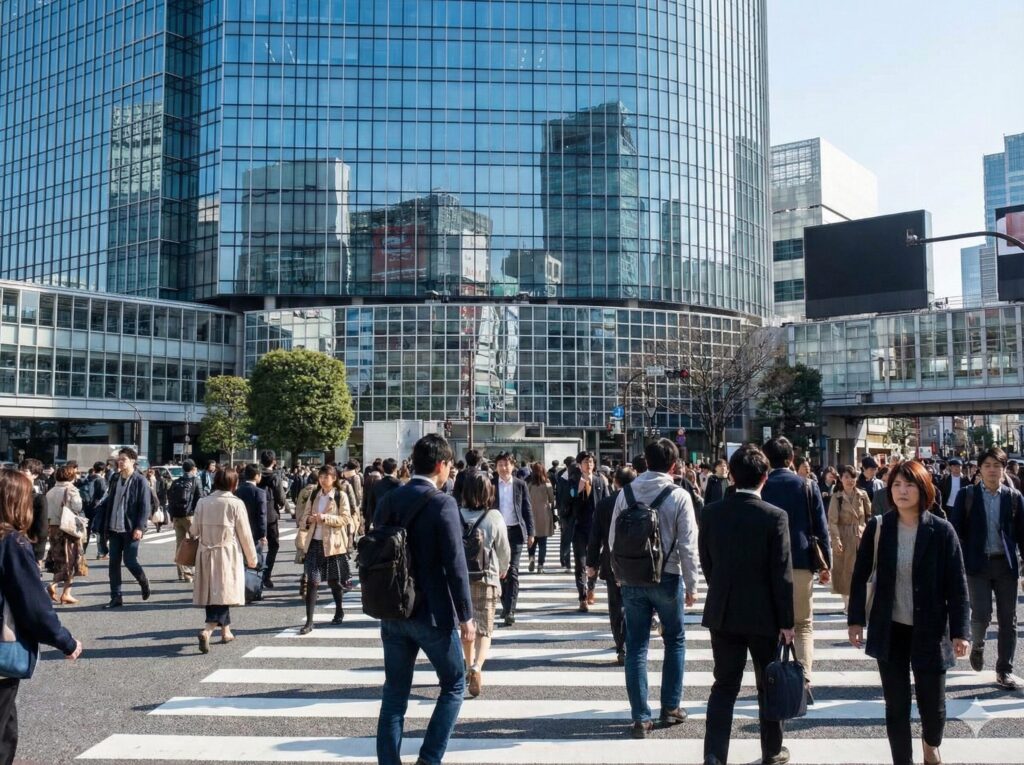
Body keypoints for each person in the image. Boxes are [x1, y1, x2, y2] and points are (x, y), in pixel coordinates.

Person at [849, 460, 970, 765]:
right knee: (896, 705)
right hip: (890, 628)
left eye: (910, 485)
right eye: (897, 485)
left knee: (934, 707)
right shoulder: (879, 527)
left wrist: (961, 631)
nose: (902, 491)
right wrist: (855, 620)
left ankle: (931, 744)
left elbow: (957, 584)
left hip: (930, 629)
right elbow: (860, 574)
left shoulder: (942, 531)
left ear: (923, 488)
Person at [372, 434, 475, 765]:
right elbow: (456, 565)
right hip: (432, 612)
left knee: (394, 694)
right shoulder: (442, 503)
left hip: (392, 608)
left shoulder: (389, 499)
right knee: (454, 685)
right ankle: (429, 759)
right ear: (442, 465)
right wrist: (467, 616)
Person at [700, 445, 795, 765]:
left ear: (731, 474)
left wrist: (722, 588)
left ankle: (714, 755)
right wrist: (787, 622)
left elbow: (707, 563)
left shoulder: (711, 512)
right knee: (767, 684)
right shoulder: (774, 516)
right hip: (764, 613)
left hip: (723, 609)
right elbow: (781, 574)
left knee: (724, 685)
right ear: (764, 478)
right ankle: (771, 750)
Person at [608, 438, 699, 739]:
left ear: (645, 461)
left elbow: (613, 540)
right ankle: (670, 707)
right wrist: (693, 585)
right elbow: (687, 545)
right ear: (674, 465)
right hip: (668, 577)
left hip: (632, 578)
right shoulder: (679, 495)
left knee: (636, 647)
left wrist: (621, 573)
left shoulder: (627, 492)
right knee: (674, 639)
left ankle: (640, 717)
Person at [0, 468, 84, 763]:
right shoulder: (11, 543)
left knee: (7, 724)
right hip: (2, 651)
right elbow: (34, 607)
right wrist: (65, 641)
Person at [761, 436, 831, 702]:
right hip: (801, 560)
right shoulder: (807, 485)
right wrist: (826, 565)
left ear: (766, 460)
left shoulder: (762, 484)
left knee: (770, 624)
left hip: (767, 564)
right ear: (791, 459)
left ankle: (771, 679)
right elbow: (820, 527)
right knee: (803, 625)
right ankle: (804, 680)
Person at [948, 446, 1024, 690]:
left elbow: (1023, 534)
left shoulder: (1013, 498)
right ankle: (978, 644)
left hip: (1006, 565)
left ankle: (1004, 670)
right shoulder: (967, 496)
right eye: (987, 465)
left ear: (1004, 470)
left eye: (997, 466)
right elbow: (955, 531)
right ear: (979, 469)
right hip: (977, 565)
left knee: (1008, 620)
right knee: (980, 615)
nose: (992, 470)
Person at [191, 467, 259, 653]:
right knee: (222, 593)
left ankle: (226, 632)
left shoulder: (202, 502)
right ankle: (207, 630)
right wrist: (252, 558)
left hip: (205, 552)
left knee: (213, 593)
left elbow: (193, 531)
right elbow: (245, 534)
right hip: (226, 553)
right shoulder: (235, 503)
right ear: (233, 483)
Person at [458, 471, 511, 697]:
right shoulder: (494, 516)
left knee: (466, 625)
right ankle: (477, 666)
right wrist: (503, 568)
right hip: (487, 577)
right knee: (485, 629)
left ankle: (467, 663)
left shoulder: (456, 514)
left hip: (460, 579)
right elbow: (504, 549)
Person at [295, 465, 357, 633]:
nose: (323, 479)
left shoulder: (340, 495)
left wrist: (325, 518)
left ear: (334, 478)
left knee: (334, 581)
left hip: (334, 545)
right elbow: (303, 518)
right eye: (321, 476)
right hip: (314, 543)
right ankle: (309, 622)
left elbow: (345, 518)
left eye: (326, 477)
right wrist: (309, 520)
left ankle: (339, 609)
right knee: (312, 582)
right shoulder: (314, 494)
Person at [586, 465, 636, 665]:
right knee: (635, 606)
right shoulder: (641, 501)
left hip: (611, 561)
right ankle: (633, 643)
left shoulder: (606, 503)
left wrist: (591, 563)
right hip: (638, 564)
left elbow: (595, 536)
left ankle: (621, 645)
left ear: (615, 483)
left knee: (616, 607)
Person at [94, 447, 152, 608]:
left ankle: (143, 581)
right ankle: (116, 596)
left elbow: (144, 506)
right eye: (119, 459)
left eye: (124, 459)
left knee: (130, 561)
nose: (120, 462)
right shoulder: (114, 478)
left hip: (130, 527)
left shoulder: (140, 480)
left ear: (133, 461)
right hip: (113, 527)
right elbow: (109, 499)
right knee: (113, 563)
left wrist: (140, 527)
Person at [491, 452, 534, 626]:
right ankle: (505, 603)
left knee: (513, 571)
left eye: (506, 464)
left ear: (513, 465)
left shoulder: (520, 484)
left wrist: (531, 532)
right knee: (501, 572)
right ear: (496, 467)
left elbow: (527, 508)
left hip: (515, 530)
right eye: (500, 464)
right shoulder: (491, 484)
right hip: (496, 532)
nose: (503, 467)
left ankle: (510, 610)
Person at [566, 450, 610, 611]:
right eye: (585, 462)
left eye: (591, 462)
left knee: (594, 562)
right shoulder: (572, 481)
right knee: (580, 563)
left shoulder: (600, 481)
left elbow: (606, 502)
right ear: (579, 465)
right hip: (579, 528)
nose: (589, 465)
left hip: (596, 528)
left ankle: (591, 587)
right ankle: (582, 597)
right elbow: (567, 501)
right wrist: (578, 489)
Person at [828, 465, 871, 612]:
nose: (850, 480)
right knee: (844, 570)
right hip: (844, 535)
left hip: (860, 535)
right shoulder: (837, 497)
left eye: (852, 477)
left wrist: (867, 531)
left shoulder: (862, 495)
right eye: (846, 477)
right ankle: (847, 602)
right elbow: (832, 521)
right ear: (841, 478)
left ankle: (857, 601)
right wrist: (836, 539)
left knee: (860, 570)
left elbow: (869, 515)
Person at [43, 464, 85, 605]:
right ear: (71, 476)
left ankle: (63, 591)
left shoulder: (51, 491)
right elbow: (78, 507)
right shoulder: (71, 490)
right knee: (71, 560)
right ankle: (60, 589)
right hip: (68, 529)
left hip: (53, 528)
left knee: (59, 559)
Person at [167, 459, 203, 582]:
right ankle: (192, 572)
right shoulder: (195, 480)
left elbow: (170, 497)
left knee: (180, 543)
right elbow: (200, 498)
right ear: (193, 469)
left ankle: (181, 573)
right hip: (190, 516)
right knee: (195, 542)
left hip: (177, 516)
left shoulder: (177, 481)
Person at [258, 450, 288, 589]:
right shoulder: (275, 477)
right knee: (273, 545)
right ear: (274, 461)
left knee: (255, 546)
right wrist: (282, 504)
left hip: (255, 513)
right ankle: (266, 575)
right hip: (270, 514)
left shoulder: (255, 474)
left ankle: (254, 574)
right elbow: (281, 498)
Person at [234, 464, 268, 570]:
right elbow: (262, 514)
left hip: (238, 530)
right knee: (255, 560)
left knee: (240, 559)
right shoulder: (260, 492)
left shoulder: (237, 490)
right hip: (254, 532)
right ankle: (252, 584)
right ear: (257, 476)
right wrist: (263, 534)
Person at [525, 462, 555, 574]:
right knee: (543, 543)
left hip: (531, 515)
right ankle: (540, 565)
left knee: (532, 541)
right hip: (544, 515)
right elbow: (552, 499)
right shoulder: (547, 483)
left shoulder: (529, 484)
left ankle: (531, 558)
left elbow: (525, 499)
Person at [18, 459, 47, 570]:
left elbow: (42, 529)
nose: (20, 473)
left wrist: (39, 554)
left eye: (24, 471)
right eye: (19, 470)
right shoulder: (10, 495)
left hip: (28, 546)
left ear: (35, 475)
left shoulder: (39, 499)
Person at [79, 461, 108, 556]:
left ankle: (82, 550)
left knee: (86, 529)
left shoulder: (88, 478)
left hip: (86, 507)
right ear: (103, 470)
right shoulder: (101, 480)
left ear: (94, 469)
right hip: (97, 507)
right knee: (99, 530)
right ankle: (101, 552)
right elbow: (103, 493)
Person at [555, 455, 576, 572]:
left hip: (570, 511)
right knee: (566, 537)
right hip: (566, 512)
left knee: (567, 537)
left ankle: (565, 560)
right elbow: (559, 495)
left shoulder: (564, 475)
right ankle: (565, 561)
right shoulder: (561, 477)